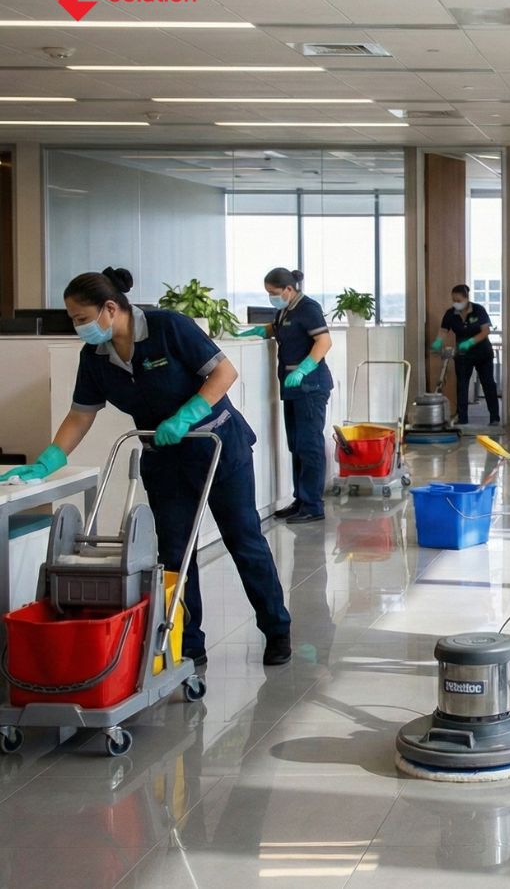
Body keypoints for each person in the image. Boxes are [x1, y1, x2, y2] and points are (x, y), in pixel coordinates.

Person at [0, 268, 292, 666]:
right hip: (164, 457)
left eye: (81, 318)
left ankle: (276, 630)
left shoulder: (168, 327)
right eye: (73, 320)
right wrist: (48, 460)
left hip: (217, 448)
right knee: (174, 553)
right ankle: (187, 643)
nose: (78, 327)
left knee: (243, 540)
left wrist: (187, 415)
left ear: (109, 308)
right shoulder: (96, 357)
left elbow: (224, 372)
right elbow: (81, 414)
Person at [237, 268, 332, 524]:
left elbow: (324, 342)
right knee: (297, 445)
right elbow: (278, 328)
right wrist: (258, 332)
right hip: (291, 389)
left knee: (310, 446)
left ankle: (313, 504)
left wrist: (304, 369)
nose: (271, 297)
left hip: (310, 387)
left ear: (289, 289)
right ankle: (301, 500)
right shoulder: (285, 310)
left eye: (274, 293)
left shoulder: (308, 308)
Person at [431, 284, 499, 427]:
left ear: (466, 299)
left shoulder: (479, 310)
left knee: (488, 384)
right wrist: (438, 342)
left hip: (482, 353)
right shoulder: (450, 314)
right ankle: (462, 419)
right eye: (453, 300)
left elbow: (486, 331)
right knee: (462, 385)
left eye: (459, 300)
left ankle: (494, 417)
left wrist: (470, 342)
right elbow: (443, 331)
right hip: (462, 354)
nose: (456, 303)